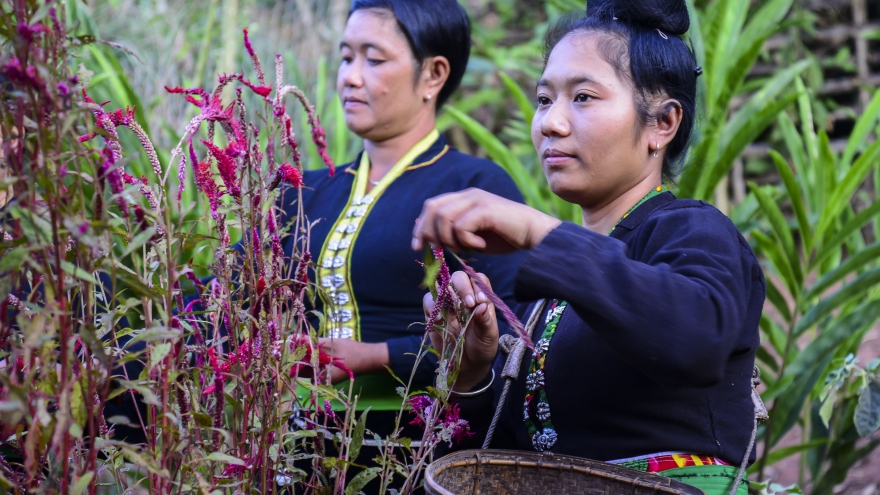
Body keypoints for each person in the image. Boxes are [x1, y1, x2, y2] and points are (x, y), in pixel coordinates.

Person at [412, 1, 765, 494]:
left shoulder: (691, 230)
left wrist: (539, 230)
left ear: (662, 123)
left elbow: (696, 338)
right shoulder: (546, 299)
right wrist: (472, 372)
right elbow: (516, 459)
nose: (551, 123)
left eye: (582, 97)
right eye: (543, 99)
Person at [278, 0, 524, 455]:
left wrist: (374, 356)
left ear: (433, 74)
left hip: (413, 447)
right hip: (295, 445)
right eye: (346, 57)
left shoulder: (474, 189)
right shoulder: (303, 192)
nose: (350, 76)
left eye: (373, 59)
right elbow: (222, 296)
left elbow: (509, 332)